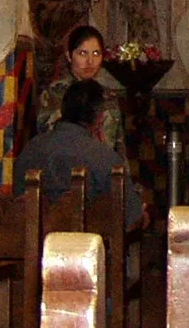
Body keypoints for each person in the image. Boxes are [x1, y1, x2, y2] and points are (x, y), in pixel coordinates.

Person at [16, 79, 142, 228]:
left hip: (35, 242)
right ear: (100, 118)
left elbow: (17, 206)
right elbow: (131, 219)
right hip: (88, 242)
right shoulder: (105, 158)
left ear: (62, 111)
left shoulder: (30, 150)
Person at [38, 24, 125, 156]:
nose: (90, 61)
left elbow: (119, 145)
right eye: (83, 53)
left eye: (96, 53)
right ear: (69, 56)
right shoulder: (54, 94)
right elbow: (49, 140)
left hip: (104, 164)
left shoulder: (108, 96)